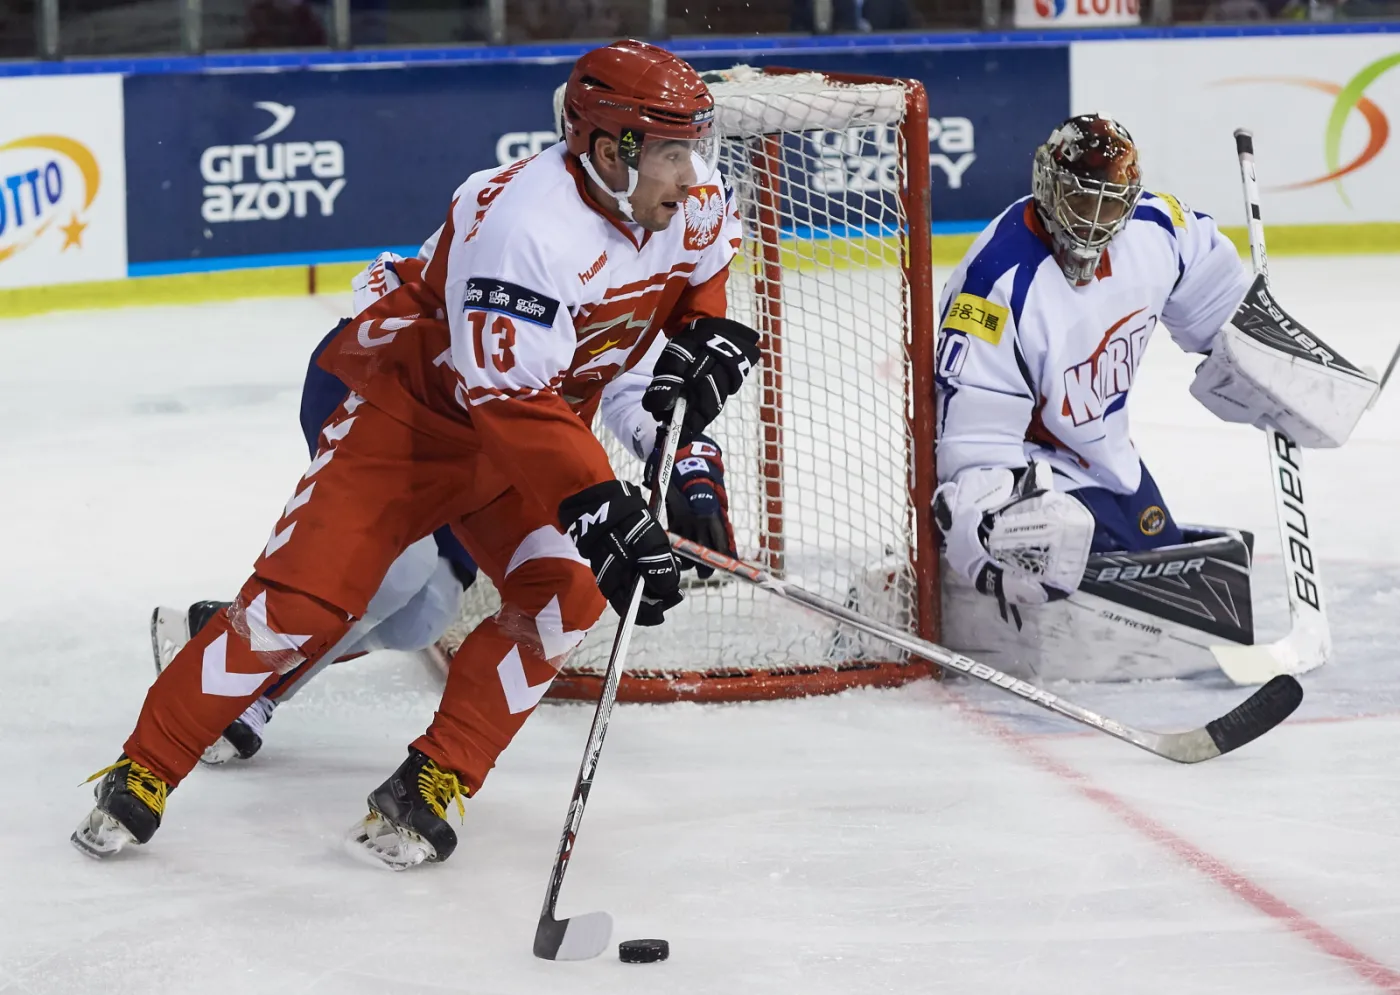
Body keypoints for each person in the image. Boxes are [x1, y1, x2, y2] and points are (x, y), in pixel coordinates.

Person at [74, 39, 757, 870]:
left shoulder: (688, 199)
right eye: (671, 150)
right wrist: (602, 506)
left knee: (559, 598)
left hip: (525, 435)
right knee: (308, 603)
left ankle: (432, 779)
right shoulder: (522, 226)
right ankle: (145, 764)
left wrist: (700, 369)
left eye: (695, 146)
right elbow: (506, 401)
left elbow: (688, 295)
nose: (694, 175)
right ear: (609, 148)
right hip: (413, 423)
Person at [151, 250, 739, 767]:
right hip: (402, 406)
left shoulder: (652, 260)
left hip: (497, 453)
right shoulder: (540, 231)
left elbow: (644, 394)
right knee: (398, 571)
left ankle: (225, 634)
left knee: (426, 613)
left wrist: (694, 474)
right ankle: (254, 689)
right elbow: (404, 292)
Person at [932, 113, 1371, 681]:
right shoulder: (996, 283)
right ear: (1047, 183)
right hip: (1034, 471)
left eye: (1109, 204)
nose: (1093, 221)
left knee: (1173, 593)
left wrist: (1262, 364)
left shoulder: (1160, 230)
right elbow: (972, 443)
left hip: (1109, 461)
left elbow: (1221, 313)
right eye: (1079, 199)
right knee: (1062, 544)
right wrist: (989, 530)